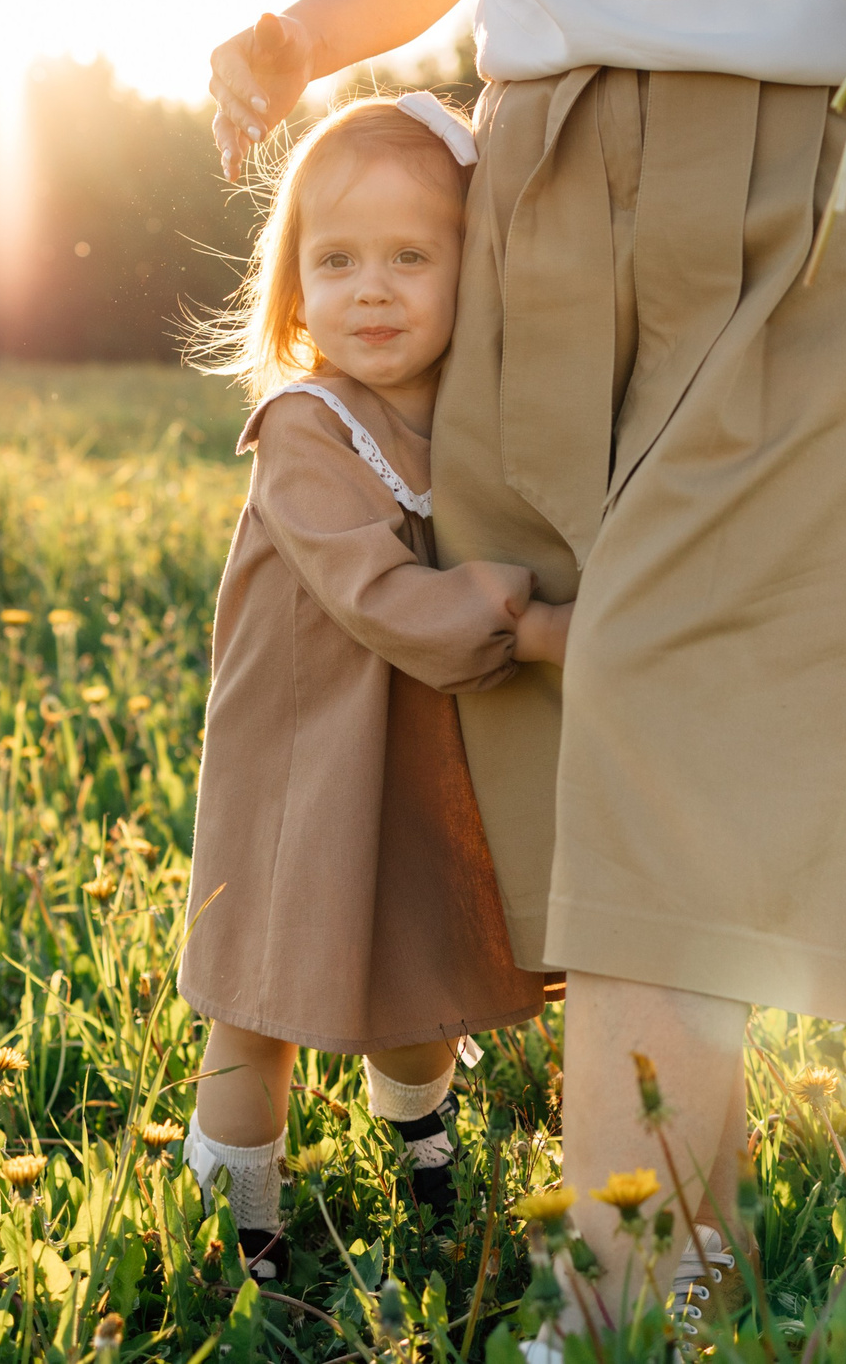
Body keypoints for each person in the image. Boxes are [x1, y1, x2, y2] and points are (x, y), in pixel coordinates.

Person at [205, 0, 846, 1337]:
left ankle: (627, 1294)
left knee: (674, 695)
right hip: (540, 193)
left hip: (804, 190)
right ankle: (685, 1243)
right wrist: (297, 38)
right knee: (570, 714)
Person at [177, 92, 575, 1282]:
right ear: (295, 289)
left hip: (410, 740)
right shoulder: (306, 427)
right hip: (298, 752)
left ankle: (419, 1126)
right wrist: (535, 628)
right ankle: (237, 1217)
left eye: (411, 257)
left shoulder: (468, 416)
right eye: (337, 261)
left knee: (415, 945)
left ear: (473, 271)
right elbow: (379, 595)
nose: (373, 291)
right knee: (264, 987)